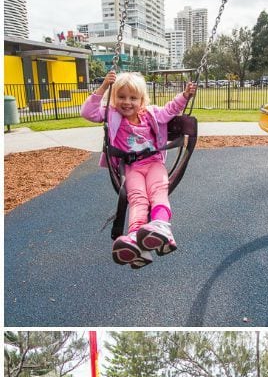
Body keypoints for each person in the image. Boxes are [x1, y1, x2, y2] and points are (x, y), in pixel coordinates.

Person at [80, 70, 197, 269]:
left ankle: (162, 226)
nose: (127, 102)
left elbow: (170, 109)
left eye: (133, 98)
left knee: (158, 191)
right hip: (132, 166)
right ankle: (136, 237)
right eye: (121, 96)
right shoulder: (112, 114)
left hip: (153, 164)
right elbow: (87, 112)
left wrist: (185, 96)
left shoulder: (150, 113)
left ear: (142, 100)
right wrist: (103, 88)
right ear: (114, 98)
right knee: (137, 198)